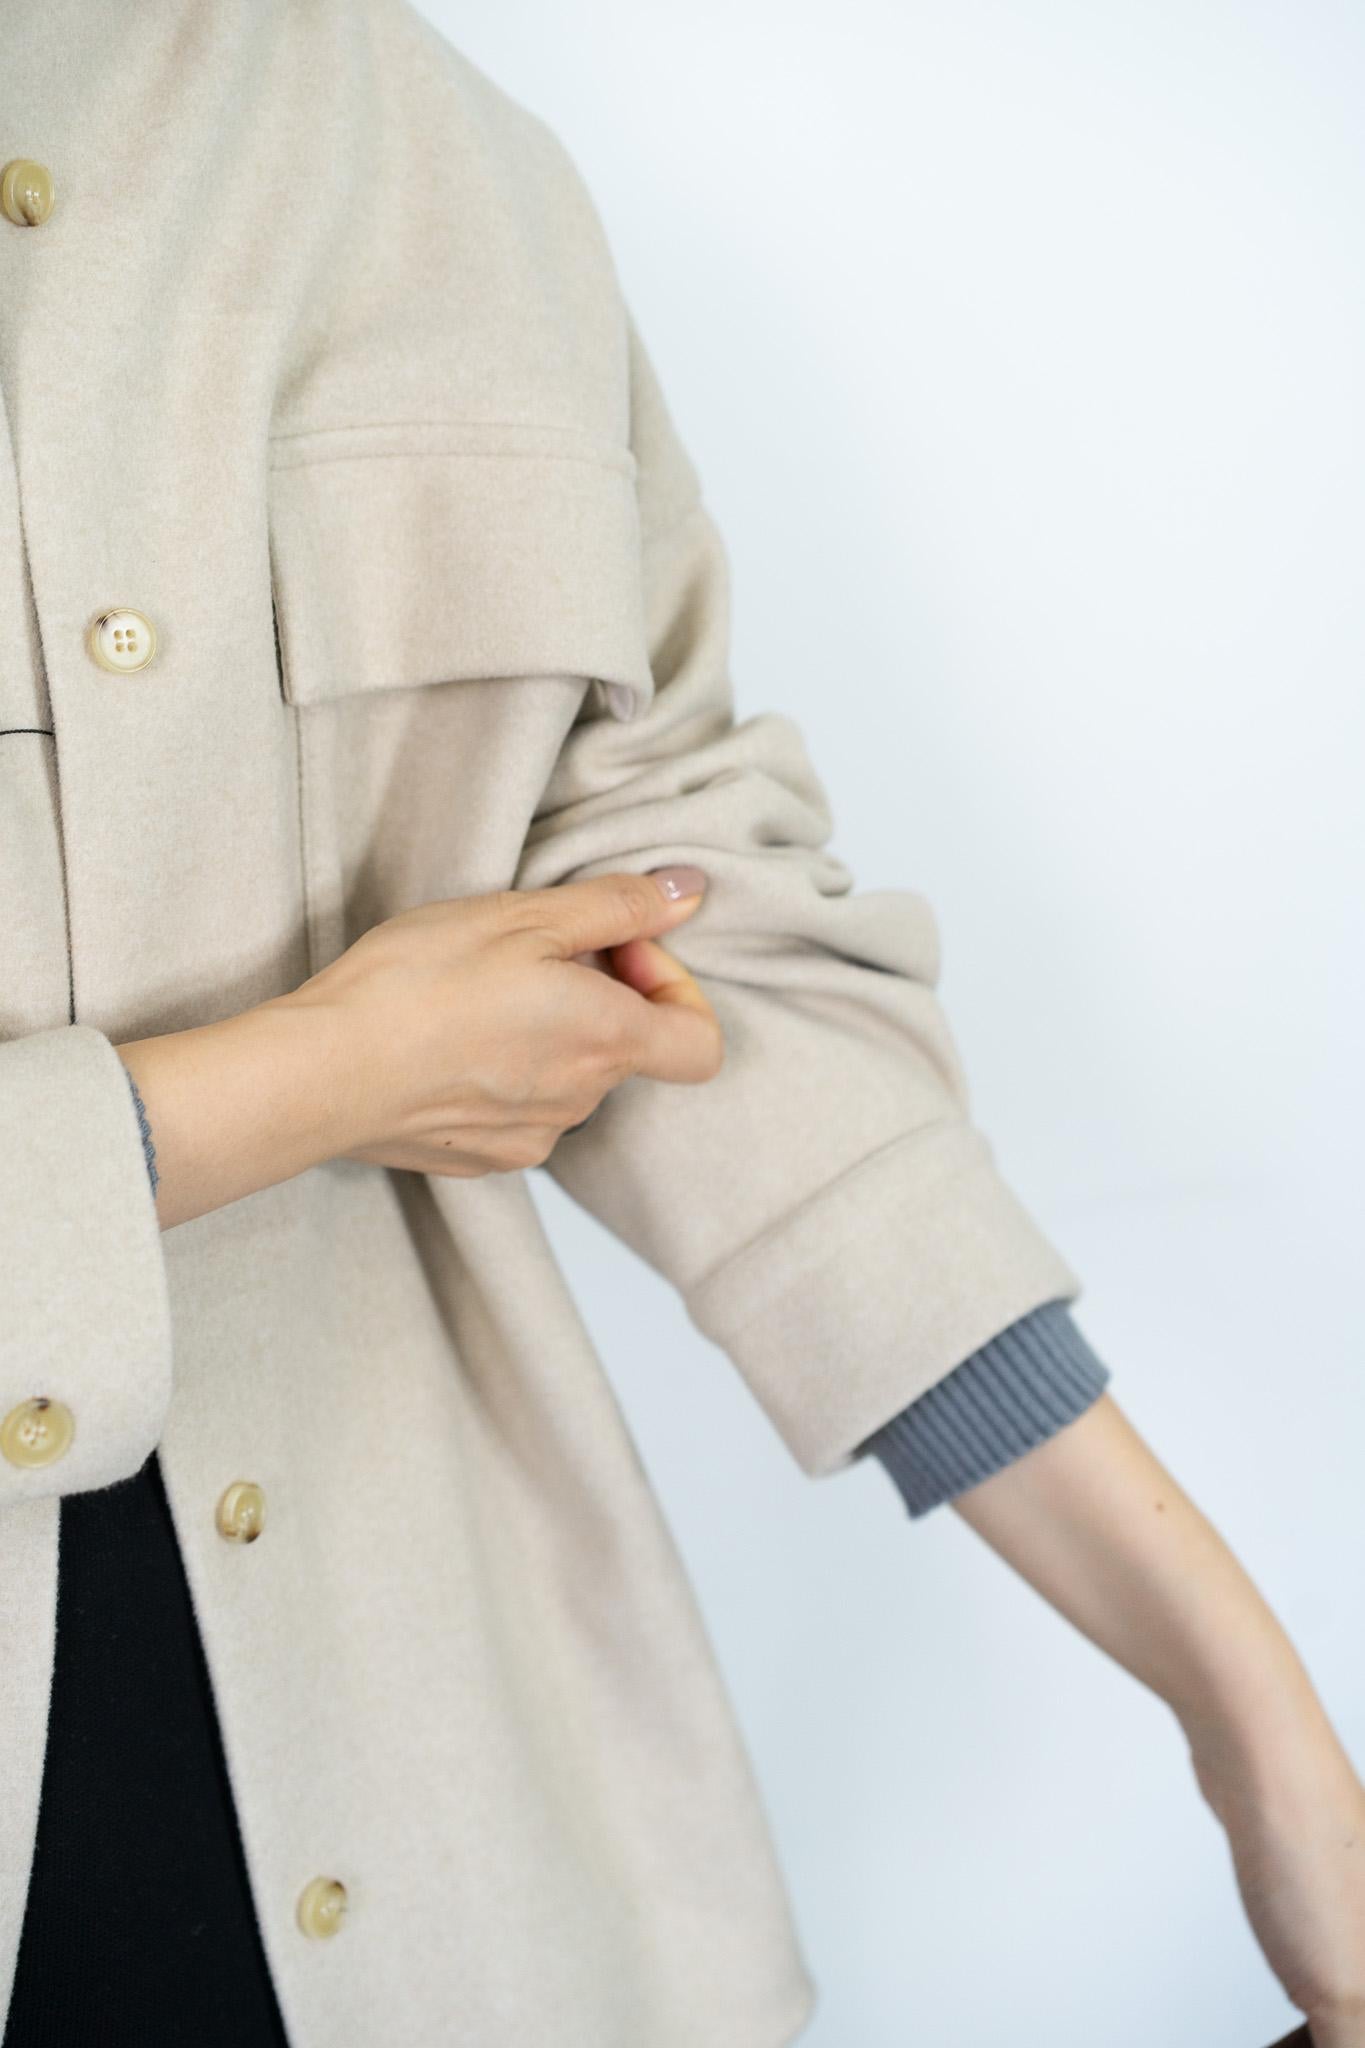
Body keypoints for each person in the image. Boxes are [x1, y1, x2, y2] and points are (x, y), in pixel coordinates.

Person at [0, 3, 1360, 2043]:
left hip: (449, 1847)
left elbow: (675, 919)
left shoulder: (415, 143)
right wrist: (311, 1086)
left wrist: (1245, 1712)